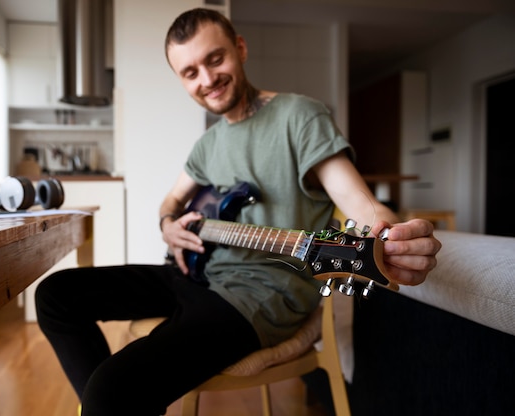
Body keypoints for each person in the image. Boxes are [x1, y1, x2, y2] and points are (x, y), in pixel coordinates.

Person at [35, 8, 442, 415]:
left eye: (215, 59)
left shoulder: (299, 115)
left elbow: (360, 202)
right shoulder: (207, 145)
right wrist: (167, 225)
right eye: (190, 72)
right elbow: (171, 202)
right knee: (55, 295)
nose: (207, 79)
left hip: (260, 296)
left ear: (240, 48)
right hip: (198, 275)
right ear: (181, 79)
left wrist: (390, 234)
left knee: (112, 389)